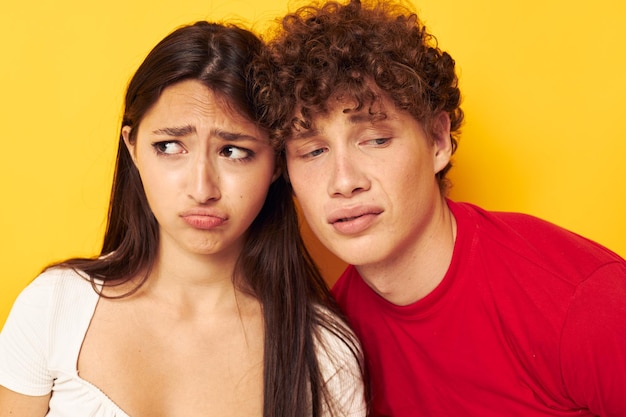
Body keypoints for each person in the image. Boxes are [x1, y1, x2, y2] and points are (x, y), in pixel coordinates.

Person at [252, 0, 626, 415]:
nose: (344, 182)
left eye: (376, 139)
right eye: (314, 151)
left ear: (437, 140)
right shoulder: (333, 342)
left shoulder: (583, 302)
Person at [0, 21, 366, 417]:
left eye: (233, 151)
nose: (202, 188)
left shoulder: (323, 352)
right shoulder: (55, 303)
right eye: (170, 146)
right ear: (133, 147)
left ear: (276, 163)